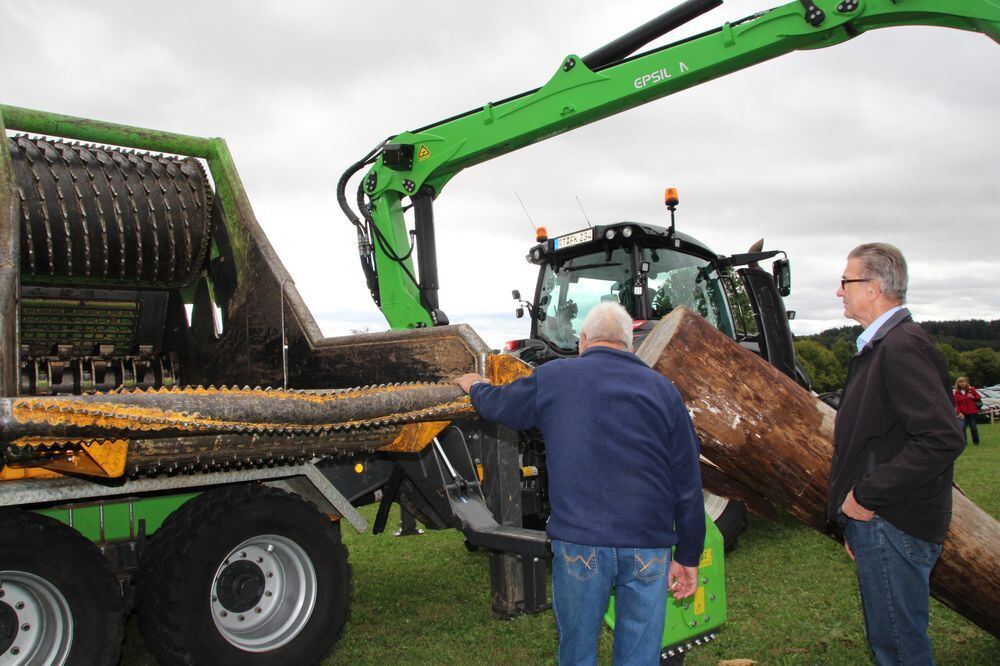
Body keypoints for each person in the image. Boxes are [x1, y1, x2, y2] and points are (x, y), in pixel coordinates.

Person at [454, 302, 704, 665]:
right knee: (639, 655)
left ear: (583, 341)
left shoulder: (555, 377)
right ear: (630, 343)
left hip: (579, 545)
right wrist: (688, 555)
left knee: (577, 651)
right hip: (649, 546)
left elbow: (500, 406)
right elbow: (687, 482)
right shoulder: (664, 391)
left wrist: (475, 386)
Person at [828, 243, 965, 666]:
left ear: (872, 288)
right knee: (892, 640)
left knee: (899, 649)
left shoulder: (901, 346)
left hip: (893, 520)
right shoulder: (882, 346)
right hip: (883, 524)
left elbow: (941, 437)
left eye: (846, 282)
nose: (839, 292)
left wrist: (866, 498)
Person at [953, 376, 982, 445]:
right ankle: (964, 443)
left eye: (963, 381)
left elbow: (979, 397)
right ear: (958, 383)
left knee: (973, 427)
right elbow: (956, 404)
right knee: (962, 427)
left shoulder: (971, 389)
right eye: (960, 382)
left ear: (966, 382)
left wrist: (973, 397)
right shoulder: (957, 392)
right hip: (963, 413)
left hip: (972, 412)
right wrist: (959, 412)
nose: (962, 383)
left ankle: (976, 442)